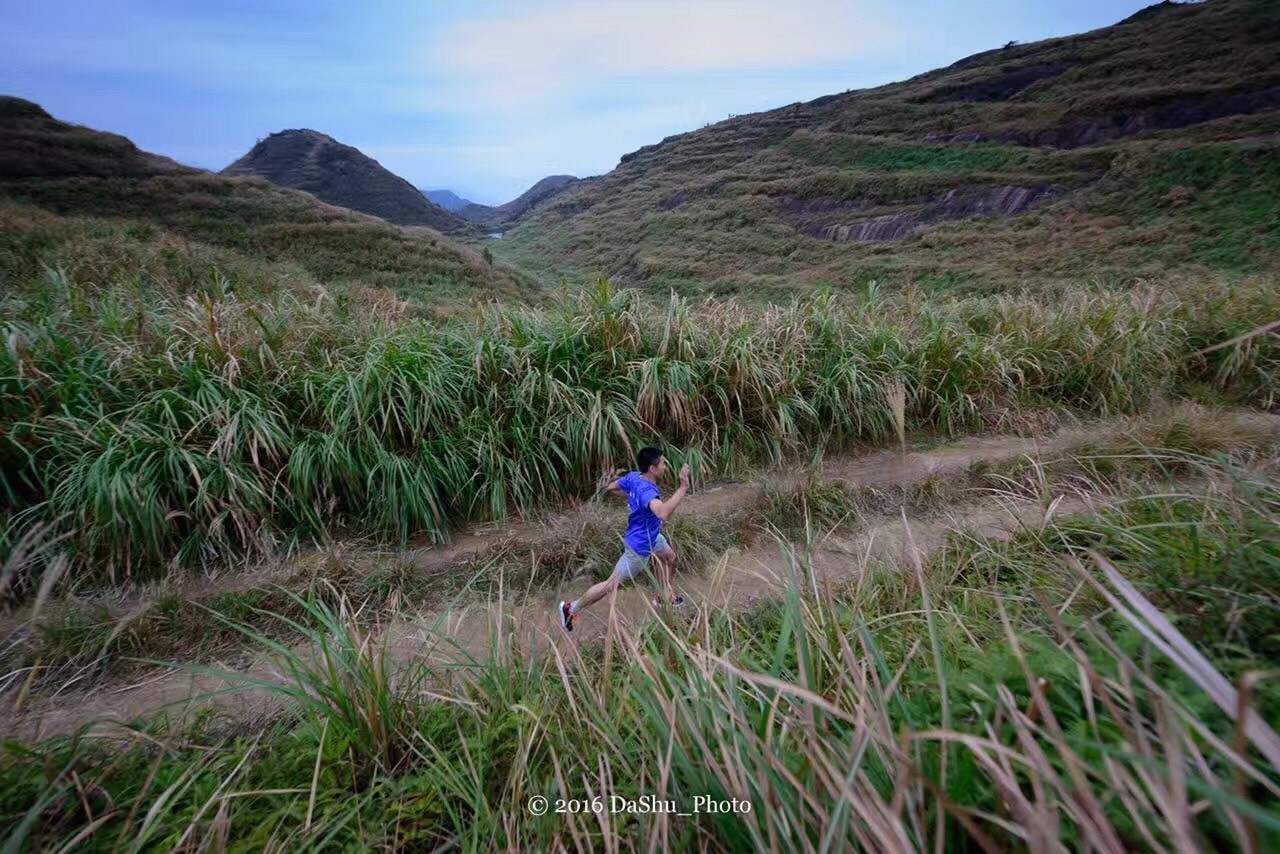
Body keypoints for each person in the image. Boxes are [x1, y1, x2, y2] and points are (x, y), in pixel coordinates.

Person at [558, 446, 690, 632]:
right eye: (662, 463)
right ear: (652, 469)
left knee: (669, 557)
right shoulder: (646, 491)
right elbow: (662, 513)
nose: (665, 466)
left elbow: (611, 487)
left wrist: (632, 496)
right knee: (610, 585)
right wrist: (683, 487)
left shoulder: (634, 477)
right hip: (639, 547)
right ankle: (570, 609)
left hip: (652, 536)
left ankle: (663, 596)